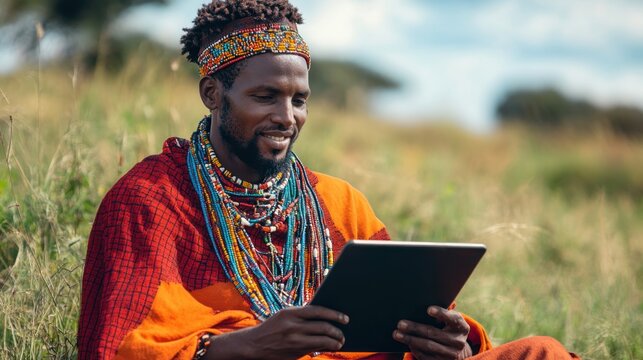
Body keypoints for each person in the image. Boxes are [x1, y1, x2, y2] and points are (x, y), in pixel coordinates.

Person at [77, 1, 580, 359]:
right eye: (265, 96)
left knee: (542, 351)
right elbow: (121, 344)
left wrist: (450, 342)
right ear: (213, 93)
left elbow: (406, 314)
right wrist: (246, 346)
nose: (287, 116)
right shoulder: (149, 199)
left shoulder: (336, 202)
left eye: (299, 100)